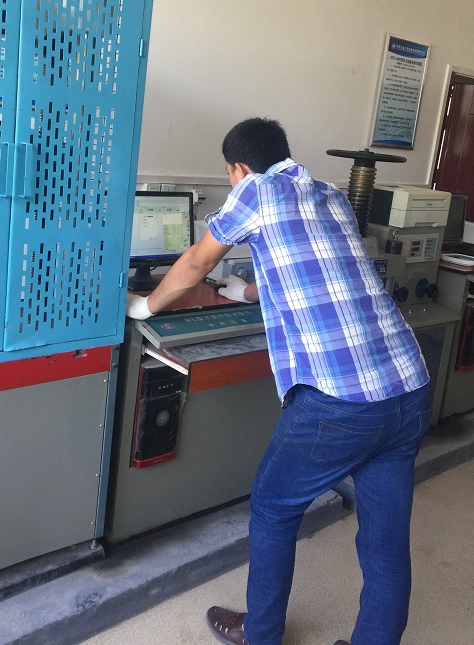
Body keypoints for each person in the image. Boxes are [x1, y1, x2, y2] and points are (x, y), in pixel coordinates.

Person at [125, 117, 432, 645]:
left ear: (239, 169)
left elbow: (196, 261)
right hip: (409, 387)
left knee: (272, 508)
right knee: (384, 543)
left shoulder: (256, 191)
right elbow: (313, 270)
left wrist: (146, 305)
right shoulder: (331, 195)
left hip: (340, 402)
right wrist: (241, 290)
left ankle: (260, 633)